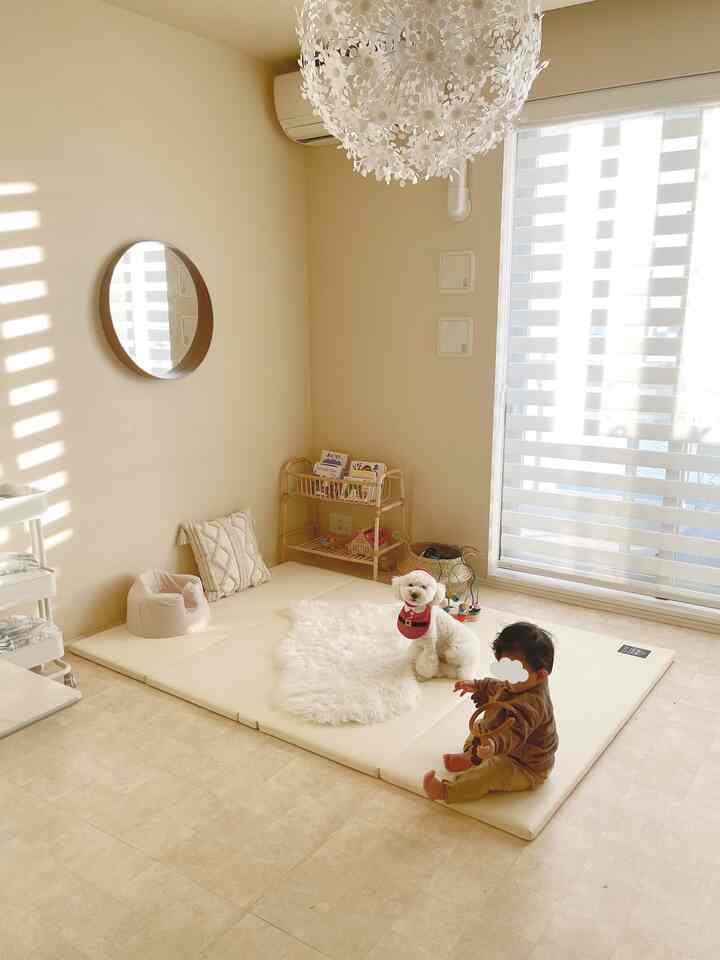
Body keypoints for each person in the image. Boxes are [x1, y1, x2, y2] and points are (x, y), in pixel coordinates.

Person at [423, 621, 558, 803]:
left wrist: (495, 745)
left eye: (513, 672)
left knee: (492, 771)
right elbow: (499, 685)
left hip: (526, 765)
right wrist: (477, 685)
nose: (506, 678)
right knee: (480, 727)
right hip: (505, 745)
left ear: (540, 675)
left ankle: (447, 791)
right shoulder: (519, 682)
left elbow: (516, 731)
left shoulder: (533, 705)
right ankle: (472, 757)